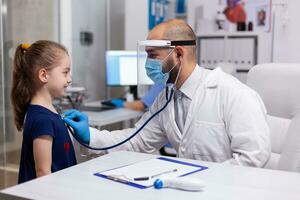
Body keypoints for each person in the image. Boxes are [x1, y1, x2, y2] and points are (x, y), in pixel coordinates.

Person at [64, 19, 271, 167]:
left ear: (179, 53)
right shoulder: (166, 97)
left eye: (153, 55)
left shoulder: (234, 94)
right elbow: (137, 140)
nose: (148, 64)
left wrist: (205, 182)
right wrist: (90, 136)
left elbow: (253, 157)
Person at [11, 40, 77, 183]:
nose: (70, 79)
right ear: (43, 75)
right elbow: (43, 173)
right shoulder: (43, 119)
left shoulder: (46, 112)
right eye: (65, 72)